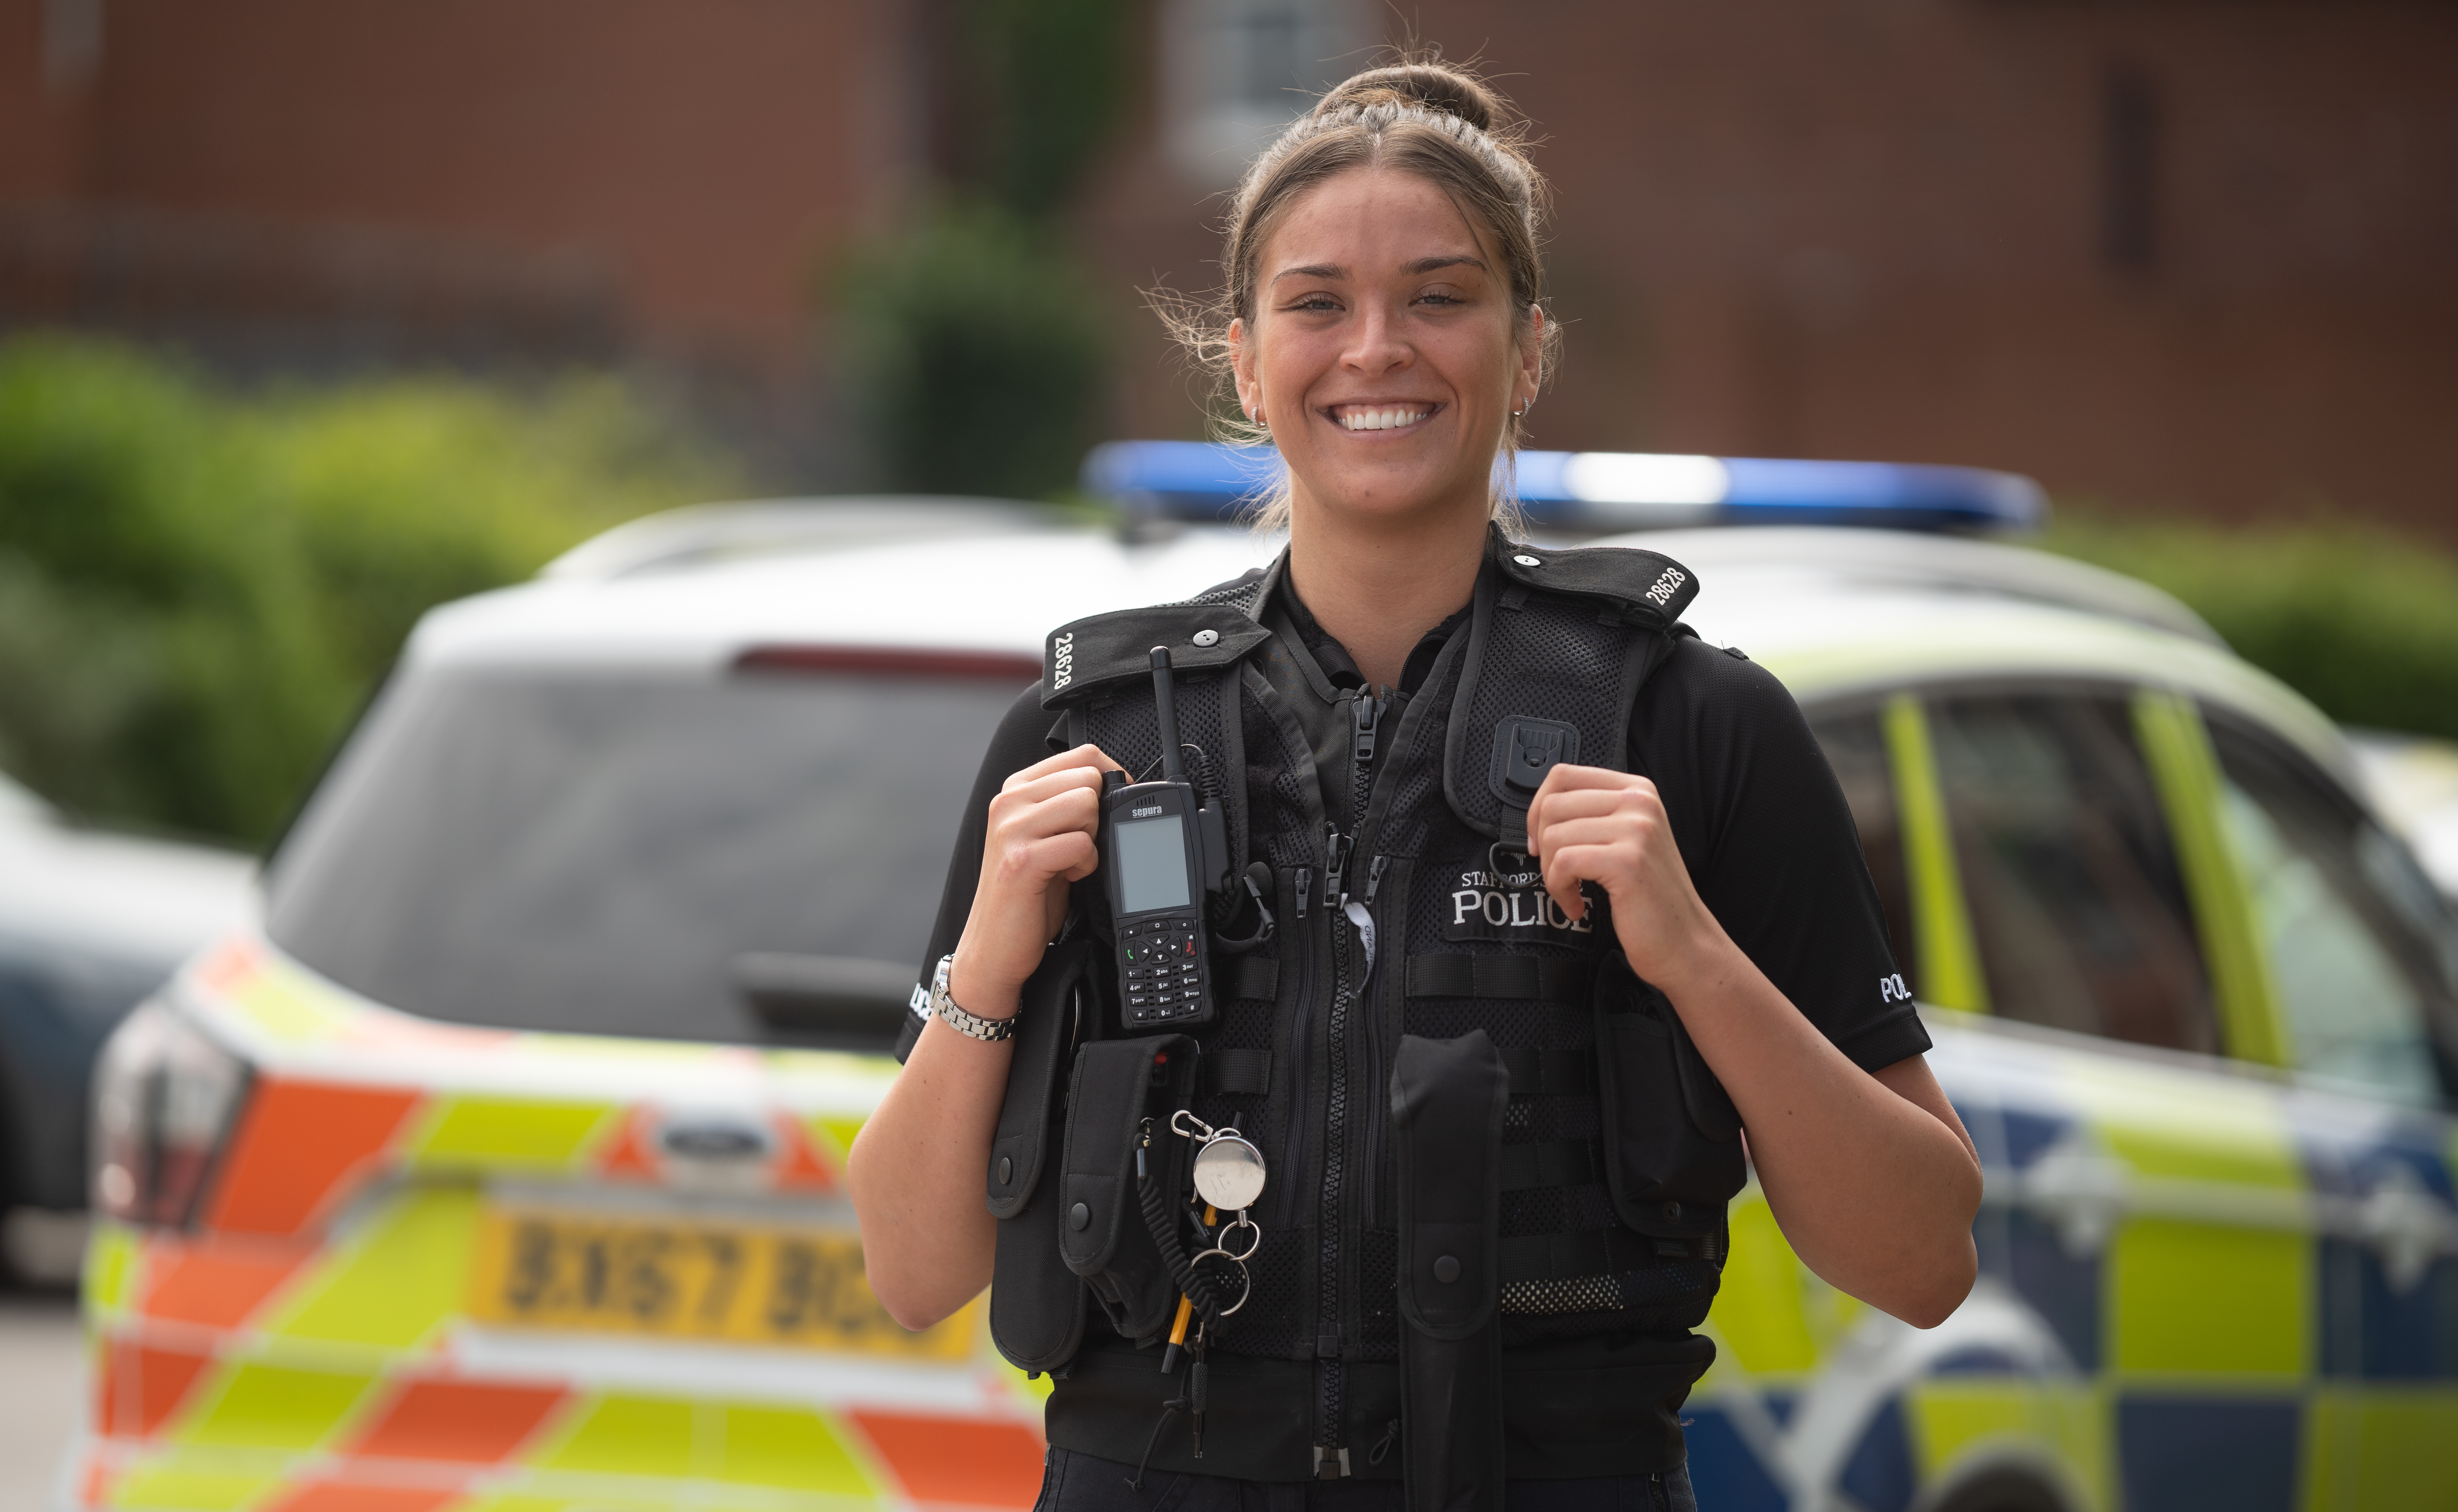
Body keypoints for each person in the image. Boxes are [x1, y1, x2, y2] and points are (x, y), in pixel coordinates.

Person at [848, 59, 1982, 1512]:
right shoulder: (1088, 736)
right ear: (1248, 361)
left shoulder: (1697, 725)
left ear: (1529, 351)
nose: (1376, 348)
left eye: (1439, 296)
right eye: (1318, 302)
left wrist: (1693, 955)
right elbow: (908, 1266)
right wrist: (992, 956)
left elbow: (1923, 1260)